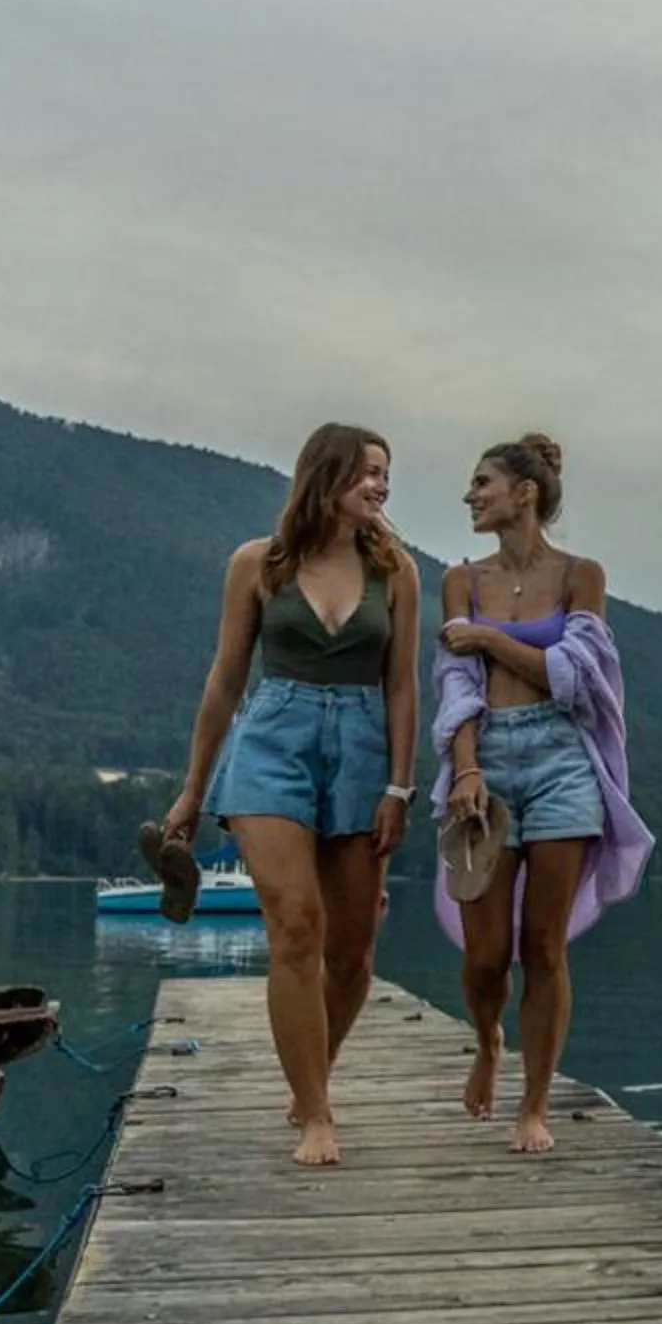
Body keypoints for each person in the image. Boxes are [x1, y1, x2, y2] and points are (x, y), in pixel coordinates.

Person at [151, 423, 419, 1167]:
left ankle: (311, 1078)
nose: (382, 486)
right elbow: (225, 681)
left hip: (364, 749)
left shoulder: (396, 570)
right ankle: (317, 1114)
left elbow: (401, 686)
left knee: (354, 955)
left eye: (387, 475)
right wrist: (192, 789)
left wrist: (400, 784)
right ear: (325, 474)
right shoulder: (257, 564)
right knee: (296, 925)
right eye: (369, 471)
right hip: (272, 741)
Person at [431, 432, 652, 1153]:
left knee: (545, 946)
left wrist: (490, 641)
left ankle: (534, 1106)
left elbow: (578, 676)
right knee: (486, 952)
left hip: (563, 760)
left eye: (482, 481)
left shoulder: (580, 576)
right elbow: (454, 685)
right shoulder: (459, 580)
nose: (470, 495)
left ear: (523, 493)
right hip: (487, 756)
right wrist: (465, 769)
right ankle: (490, 1039)